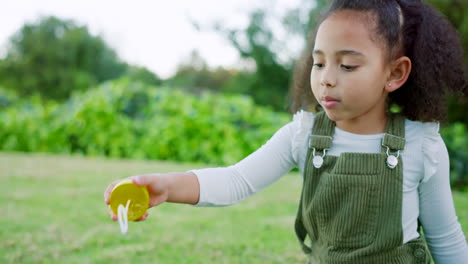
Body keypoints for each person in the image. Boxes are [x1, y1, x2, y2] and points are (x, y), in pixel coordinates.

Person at [104, 0, 468, 262]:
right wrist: (167, 187)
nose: (326, 78)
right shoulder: (304, 135)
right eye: (319, 61)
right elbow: (235, 181)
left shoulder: (421, 145)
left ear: (395, 74)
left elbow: (446, 240)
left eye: (347, 65)